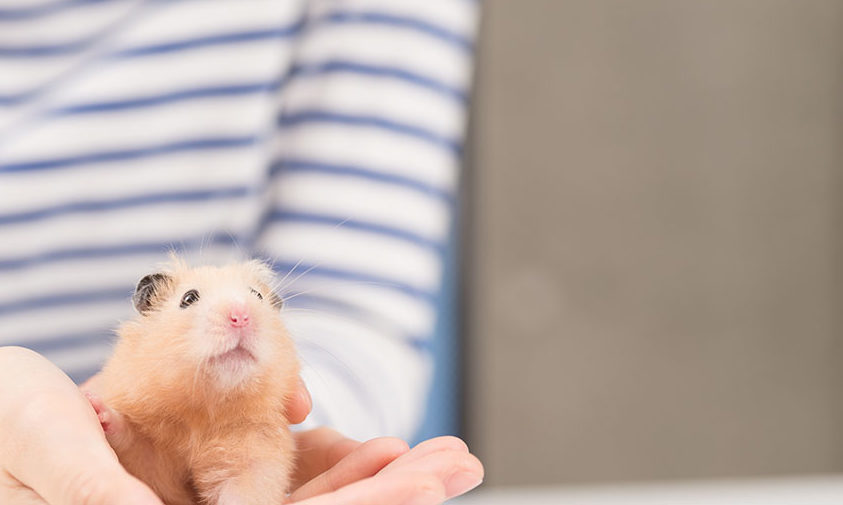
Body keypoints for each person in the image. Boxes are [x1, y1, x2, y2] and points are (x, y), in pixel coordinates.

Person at [0, 0, 482, 503]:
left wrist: (274, 439)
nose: (239, 313)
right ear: (146, 310)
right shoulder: (126, 386)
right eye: (189, 301)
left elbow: (354, 316)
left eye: (258, 298)